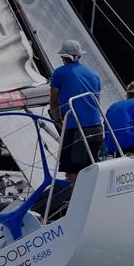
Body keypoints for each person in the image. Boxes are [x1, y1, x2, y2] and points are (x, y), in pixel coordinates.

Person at [49, 40, 103, 183]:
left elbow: (53, 101)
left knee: (73, 173)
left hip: (77, 130)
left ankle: (77, 204)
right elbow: (97, 101)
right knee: (89, 170)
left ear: (64, 57)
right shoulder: (94, 74)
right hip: (97, 128)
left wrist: (57, 120)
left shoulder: (59, 72)